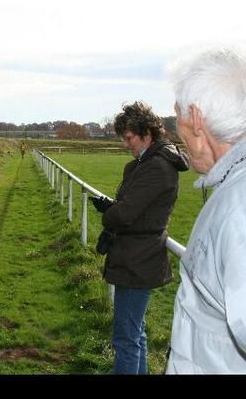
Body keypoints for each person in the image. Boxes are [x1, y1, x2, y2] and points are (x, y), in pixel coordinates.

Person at [89, 101, 189, 374]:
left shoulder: (157, 167)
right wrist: (114, 209)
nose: (126, 144)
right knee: (136, 332)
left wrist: (110, 213)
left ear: (147, 134)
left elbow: (125, 214)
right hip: (135, 255)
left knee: (126, 337)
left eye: (129, 137)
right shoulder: (148, 162)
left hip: (138, 259)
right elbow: (130, 208)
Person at [165, 47, 246, 374]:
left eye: (178, 116)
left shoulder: (239, 208)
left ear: (196, 119)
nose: (177, 132)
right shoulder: (232, 188)